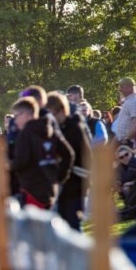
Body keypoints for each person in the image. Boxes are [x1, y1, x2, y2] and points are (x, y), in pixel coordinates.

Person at [10, 97, 74, 209]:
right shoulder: (51, 129)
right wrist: (58, 178)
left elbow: (21, 162)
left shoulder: (25, 134)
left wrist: (8, 165)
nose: (15, 121)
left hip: (31, 189)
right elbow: (68, 154)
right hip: (50, 188)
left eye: (16, 116)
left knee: (33, 225)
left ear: (26, 114)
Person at [47, 92, 91, 230]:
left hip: (76, 181)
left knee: (72, 222)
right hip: (66, 181)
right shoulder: (62, 127)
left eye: (51, 114)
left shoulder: (74, 128)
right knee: (63, 222)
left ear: (60, 110)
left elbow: (73, 155)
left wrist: (60, 177)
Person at [113, 77, 136, 145]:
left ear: (130, 87)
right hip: (124, 141)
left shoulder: (134, 101)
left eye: (121, 87)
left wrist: (126, 139)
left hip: (129, 143)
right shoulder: (128, 101)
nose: (120, 89)